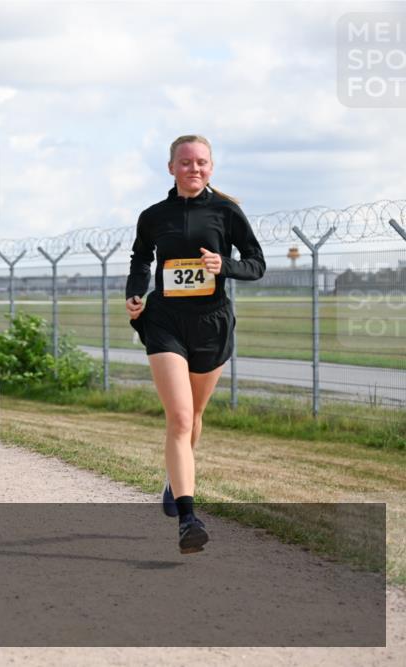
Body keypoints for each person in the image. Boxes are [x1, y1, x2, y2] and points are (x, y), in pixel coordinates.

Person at [126, 135, 265, 554]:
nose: (194, 169)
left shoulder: (227, 212)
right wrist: (135, 293)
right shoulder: (153, 215)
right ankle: (188, 518)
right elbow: (141, 259)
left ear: (211, 167)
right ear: (171, 168)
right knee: (180, 417)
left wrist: (225, 265)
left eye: (201, 162)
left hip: (211, 323)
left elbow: (256, 263)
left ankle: (175, 476)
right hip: (165, 320)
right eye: (185, 162)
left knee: (196, 414)